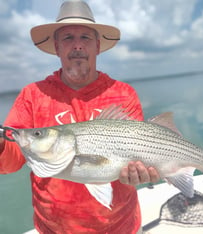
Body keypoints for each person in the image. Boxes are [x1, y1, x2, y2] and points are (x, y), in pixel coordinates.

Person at [0, 1, 160, 233]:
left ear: (97, 46)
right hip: (53, 229)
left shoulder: (123, 94)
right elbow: (11, 161)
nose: (77, 46)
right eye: (67, 38)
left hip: (120, 226)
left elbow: (137, 157)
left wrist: (141, 173)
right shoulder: (32, 95)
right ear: (56, 47)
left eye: (85, 37)